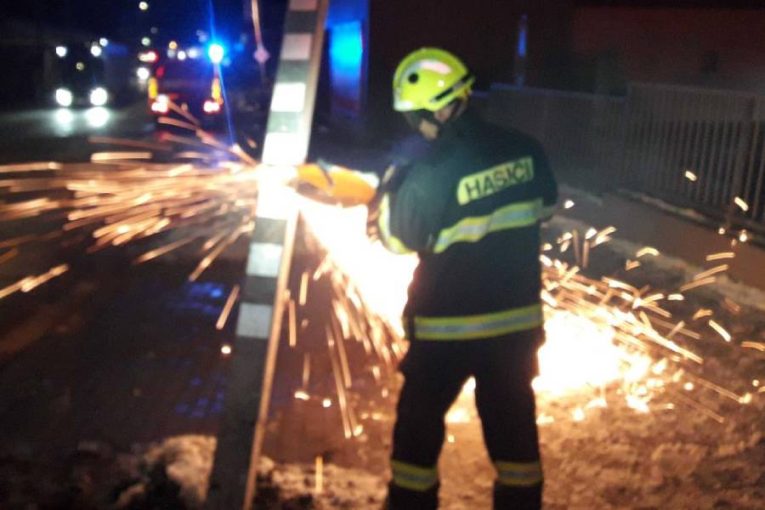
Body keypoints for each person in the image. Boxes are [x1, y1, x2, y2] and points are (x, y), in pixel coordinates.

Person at [369, 48, 558, 510]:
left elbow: (396, 238)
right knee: (515, 439)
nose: (414, 127)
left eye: (415, 118)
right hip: (515, 329)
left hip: (444, 331)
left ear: (439, 110)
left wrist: (394, 179)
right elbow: (547, 207)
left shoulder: (430, 169)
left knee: (416, 438)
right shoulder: (525, 148)